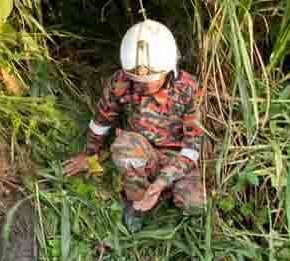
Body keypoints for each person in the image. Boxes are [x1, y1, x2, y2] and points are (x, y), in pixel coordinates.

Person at [63, 19, 205, 230]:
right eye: (137, 80)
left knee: (195, 205)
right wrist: (90, 153)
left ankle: (160, 193)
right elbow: (102, 120)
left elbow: (192, 148)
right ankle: (138, 202)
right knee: (125, 147)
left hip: (178, 159)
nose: (143, 85)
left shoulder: (189, 89)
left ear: (169, 69)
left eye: (152, 80)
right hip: (141, 150)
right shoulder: (120, 82)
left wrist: (162, 181)